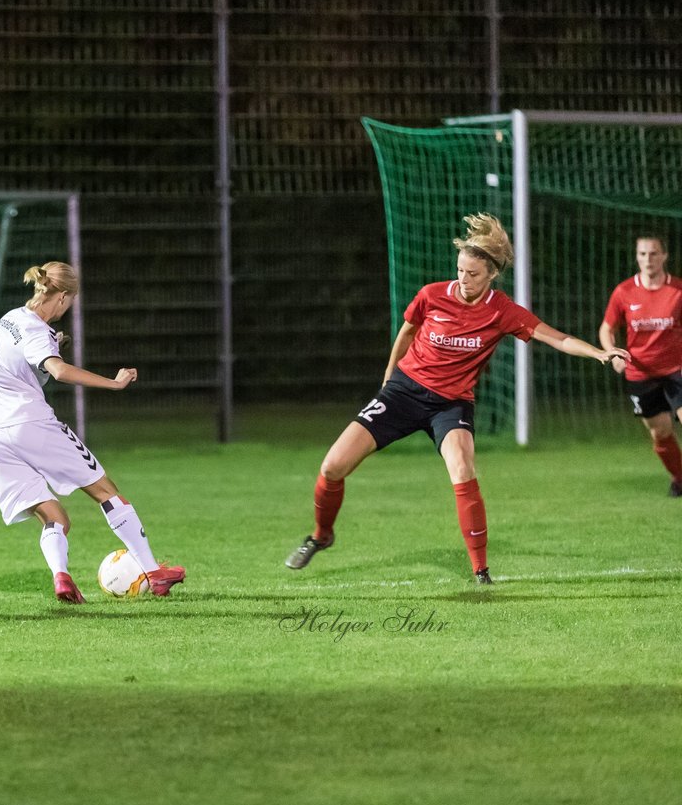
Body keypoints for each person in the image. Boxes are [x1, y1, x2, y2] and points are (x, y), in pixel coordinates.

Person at [286, 214, 628, 584]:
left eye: (473, 274)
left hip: (450, 404)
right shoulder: (432, 295)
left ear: (492, 275)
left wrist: (599, 354)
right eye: (461, 270)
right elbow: (406, 332)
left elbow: (556, 337)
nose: (464, 279)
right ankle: (321, 536)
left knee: (463, 469)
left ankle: (481, 571)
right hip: (403, 392)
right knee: (333, 465)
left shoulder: (502, 311)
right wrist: (389, 376)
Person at [0, 261, 185, 603]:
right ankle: (153, 572)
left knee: (55, 518)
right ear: (64, 296)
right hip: (28, 423)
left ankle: (62, 578)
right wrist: (113, 383)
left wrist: (52, 343)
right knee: (106, 492)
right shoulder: (37, 331)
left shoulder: (9, 318)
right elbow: (58, 370)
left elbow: (18, 360)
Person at [598, 235, 682, 496]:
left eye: (654, 253)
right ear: (637, 257)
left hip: (676, 370)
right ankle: (679, 478)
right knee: (660, 433)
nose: (648, 259)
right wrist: (612, 352)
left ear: (664, 256)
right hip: (641, 374)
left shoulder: (677, 291)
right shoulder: (624, 292)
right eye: (643, 254)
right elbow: (607, 328)